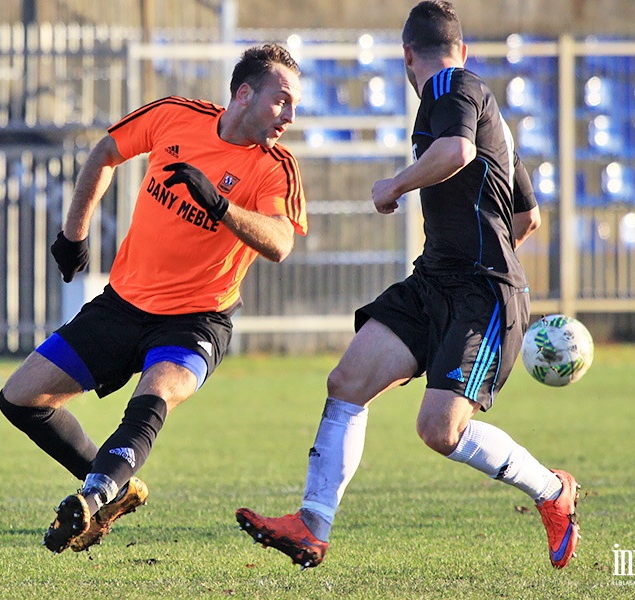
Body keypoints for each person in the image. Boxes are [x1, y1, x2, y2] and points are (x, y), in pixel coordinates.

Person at [236, 1, 580, 570]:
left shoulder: (449, 86)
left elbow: (457, 152)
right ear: (462, 46)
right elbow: (529, 217)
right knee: (347, 380)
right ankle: (311, 526)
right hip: (436, 282)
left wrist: (394, 185)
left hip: (478, 294)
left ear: (406, 56)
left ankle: (553, 492)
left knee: (439, 430)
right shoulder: (482, 104)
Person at [0, 43, 307, 554]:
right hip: (123, 304)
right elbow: (106, 152)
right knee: (20, 397)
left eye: (295, 106)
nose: (290, 116)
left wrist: (220, 205)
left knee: (154, 395)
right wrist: (74, 234)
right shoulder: (173, 117)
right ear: (245, 94)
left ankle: (94, 497)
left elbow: (279, 242)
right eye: (282, 101)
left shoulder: (276, 168)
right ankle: (115, 484)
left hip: (197, 320)